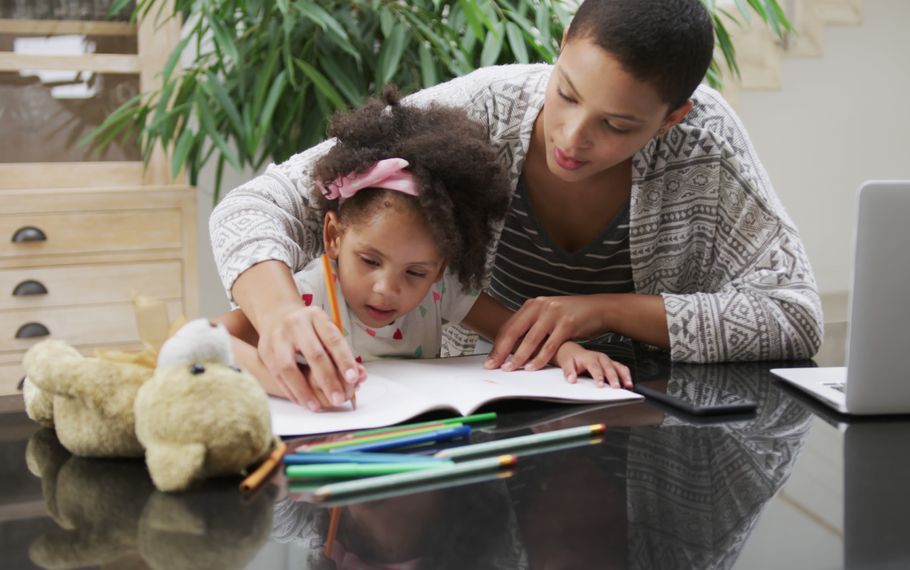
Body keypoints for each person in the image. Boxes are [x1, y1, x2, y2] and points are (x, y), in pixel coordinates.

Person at [210, 0, 823, 410]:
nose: (574, 137)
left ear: (673, 118)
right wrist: (282, 313)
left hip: (650, 422)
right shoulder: (487, 108)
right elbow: (256, 205)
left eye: (616, 124)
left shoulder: (706, 144)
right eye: (567, 94)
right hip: (485, 419)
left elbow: (794, 316)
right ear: (560, 47)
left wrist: (605, 311)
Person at [216, 91, 631, 410]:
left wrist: (567, 350)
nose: (385, 288)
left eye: (415, 272)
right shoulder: (307, 298)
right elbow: (207, 340)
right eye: (370, 260)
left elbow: (516, 331)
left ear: (440, 269)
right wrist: (285, 382)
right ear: (333, 236)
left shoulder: (440, 293)